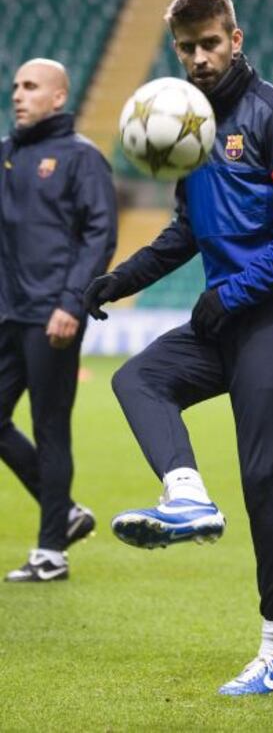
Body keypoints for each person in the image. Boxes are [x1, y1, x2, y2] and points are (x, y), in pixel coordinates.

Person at [84, 0, 273, 695]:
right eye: (187, 48)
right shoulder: (188, 125)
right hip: (226, 317)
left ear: (236, 37)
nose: (199, 59)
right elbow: (188, 232)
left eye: (210, 44)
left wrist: (235, 289)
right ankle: (187, 494)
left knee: (264, 479)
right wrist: (115, 279)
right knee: (138, 378)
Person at [1, 58, 117, 582]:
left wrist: (73, 302)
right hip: (7, 310)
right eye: (15, 87)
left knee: (51, 429)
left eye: (30, 87)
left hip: (53, 315)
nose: (18, 95)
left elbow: (100, 234)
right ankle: (65, 511)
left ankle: (51, 553)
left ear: (58, 97)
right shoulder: (5, 155)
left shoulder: (81, 158)